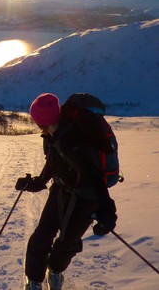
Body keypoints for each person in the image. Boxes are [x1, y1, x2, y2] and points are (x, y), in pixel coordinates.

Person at [16, 93, 117, 290]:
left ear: (42, 121)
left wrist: (106, 208)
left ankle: (54, 271)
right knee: (42, 237)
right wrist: (37, 182)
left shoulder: (71, 139)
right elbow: (54, 161)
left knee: (67, 243)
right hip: (61, 190)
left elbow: (93, 174)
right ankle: (34, 280)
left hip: (87, 198)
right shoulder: (53, 133)